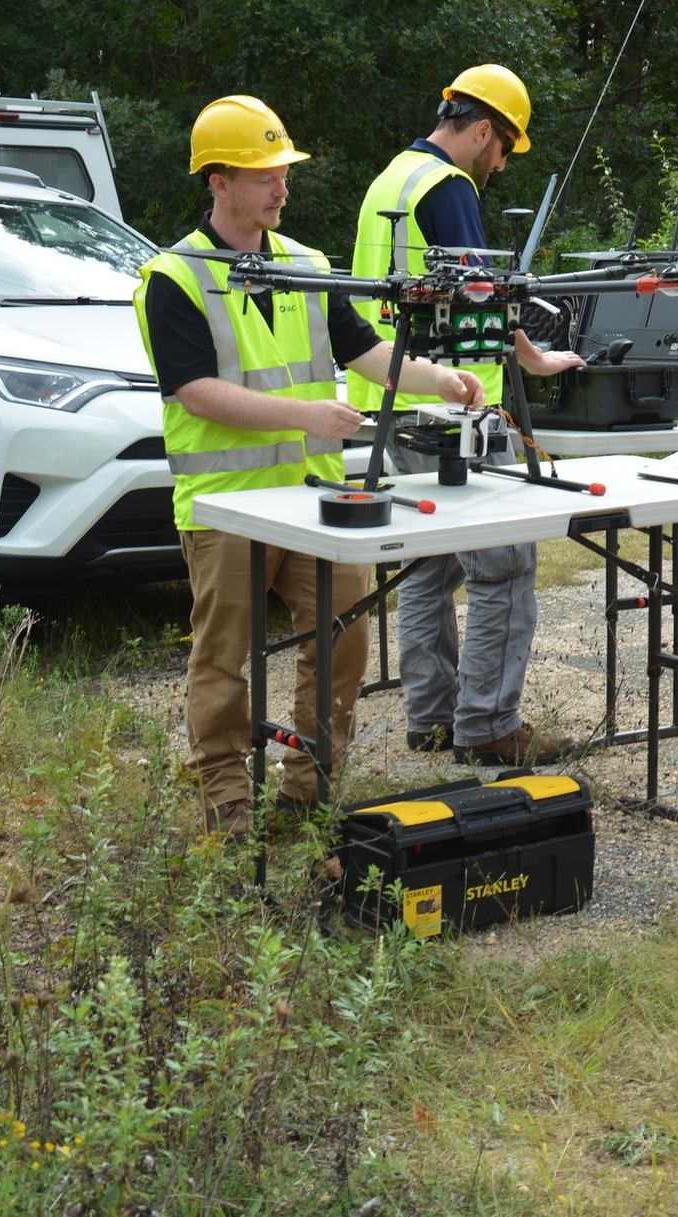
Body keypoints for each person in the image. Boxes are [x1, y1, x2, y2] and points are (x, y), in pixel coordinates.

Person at [138, 95, 484, 835]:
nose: (281, 187)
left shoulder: (308, 265)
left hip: (314, 499)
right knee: (224, 658)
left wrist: (439, 378)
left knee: (344, 637)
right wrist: (307, 415)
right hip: (225, 504)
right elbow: (196, 392)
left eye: (283, 171)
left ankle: (308, 786)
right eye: (264, 173)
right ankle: (229, 799)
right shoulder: (174, 277)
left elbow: (366, 349)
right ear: (219, 180)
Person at [346, 64, 586, 765]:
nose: (501, 165)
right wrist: (534, 360)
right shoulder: (448, 187)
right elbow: (483, 291)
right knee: (506, 564)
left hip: (392, 400)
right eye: (504, 149)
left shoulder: (390, 178)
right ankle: (487, 728)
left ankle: (431, 719)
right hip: (456, 406)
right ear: (482, 130)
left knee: (429, 568)